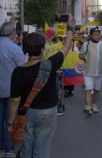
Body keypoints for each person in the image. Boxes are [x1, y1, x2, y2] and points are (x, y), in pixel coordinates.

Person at [8, 15, 74, 158]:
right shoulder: (50, 64)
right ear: (43, 49)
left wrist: (10, 121)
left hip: (26, 113)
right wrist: (69, 26)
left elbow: (14, 100)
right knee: (42, 147)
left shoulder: (18, 72)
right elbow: (67, 45)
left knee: (26, 145)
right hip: (47, 112)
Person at [0, 19, 26, 157]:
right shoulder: (15, 48)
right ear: (11, 33)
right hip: (11, 90)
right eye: (15, 32)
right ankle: (9, 148)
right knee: (10, 120)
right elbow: (23, 69)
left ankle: (1, 146)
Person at [79, 27, 102, 116]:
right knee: (88, 89)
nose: (97, 36)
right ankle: (88, 106)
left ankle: (94, 104)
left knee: (97, 90)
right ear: (91, 36)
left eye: (98, 34)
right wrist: (83, 57)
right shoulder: (86, 44)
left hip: (99, 72)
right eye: (95, 34)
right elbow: (80, 55)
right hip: (88, 71)